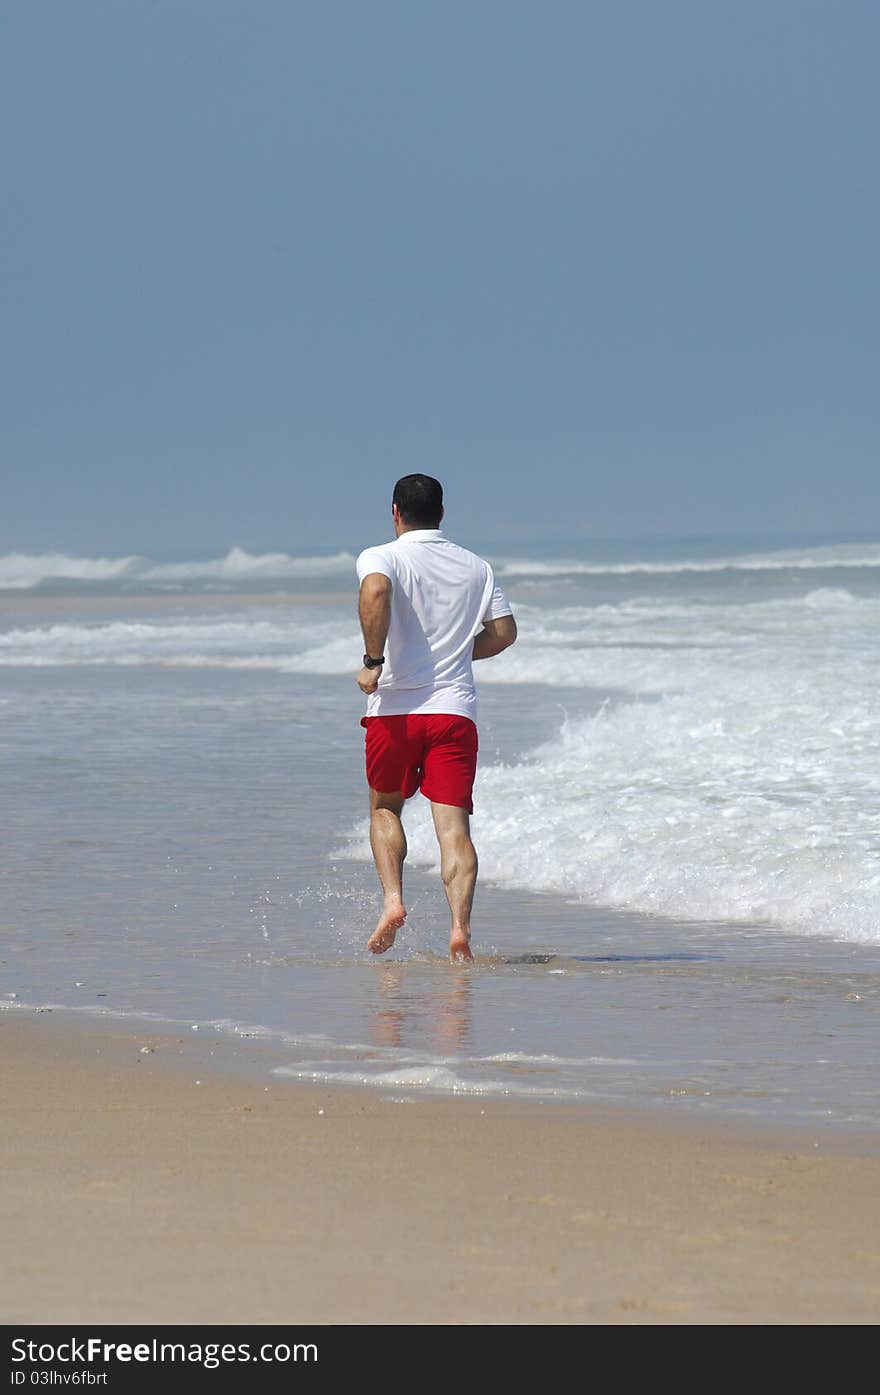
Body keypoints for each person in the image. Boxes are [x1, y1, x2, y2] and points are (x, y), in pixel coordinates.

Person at [356, 474, 517, 963]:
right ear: (442, 513)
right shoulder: (477, 567)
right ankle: (460, 930)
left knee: (386, 806)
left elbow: (377, 592)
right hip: (453, 712)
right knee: (455, 829)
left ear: (395, 512)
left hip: (395, 712)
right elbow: (505, 633)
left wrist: (372, 661)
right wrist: (455, 657)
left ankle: (393, 900)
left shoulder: (381, 556)